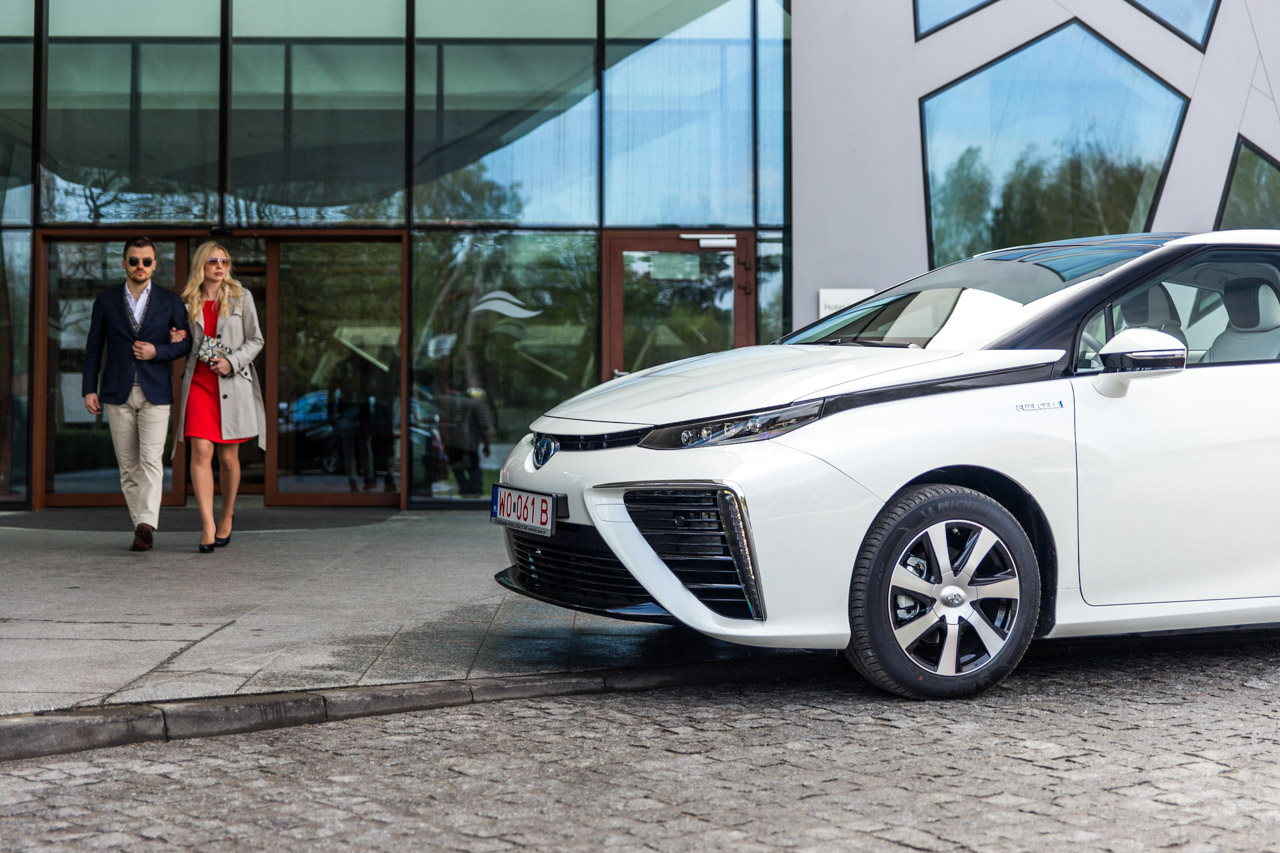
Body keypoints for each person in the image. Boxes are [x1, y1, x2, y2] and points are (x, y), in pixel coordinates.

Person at [82, 237, 192, 551]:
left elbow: (186, 343)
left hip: (155, 391)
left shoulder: (170, 301)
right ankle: (141, 528)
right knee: (128, 466)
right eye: (134, 261)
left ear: (154, 265)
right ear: (124, 264)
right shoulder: (106, 302)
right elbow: (94, 348)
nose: (140, 266)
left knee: (151, 461)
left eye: (146, 261)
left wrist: (158, 350)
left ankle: (146, 523)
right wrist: (89, 389)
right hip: (116, 391)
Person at [171, 241, 265, 553]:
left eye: (224, 261)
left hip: (232, 382)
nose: (220, 266)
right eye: (213, 261)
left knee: (227, 458)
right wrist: (175, 337)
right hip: (199, 383)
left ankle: (227, 514)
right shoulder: (187, 301)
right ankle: (208, 524)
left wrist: (232, 361)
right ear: (202, 264)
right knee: (200, 451)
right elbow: (182, 341)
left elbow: (256, 340)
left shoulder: (241, 297)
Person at [436, 374, 492, 498]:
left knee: (457, 468)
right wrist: (487, 445)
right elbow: (484, 427)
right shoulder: (474, 404)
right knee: (473, 468)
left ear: (447, 388)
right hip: (470, 443)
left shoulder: (441, 401)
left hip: (451, 442)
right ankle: (475, 492)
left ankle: (465, 490)